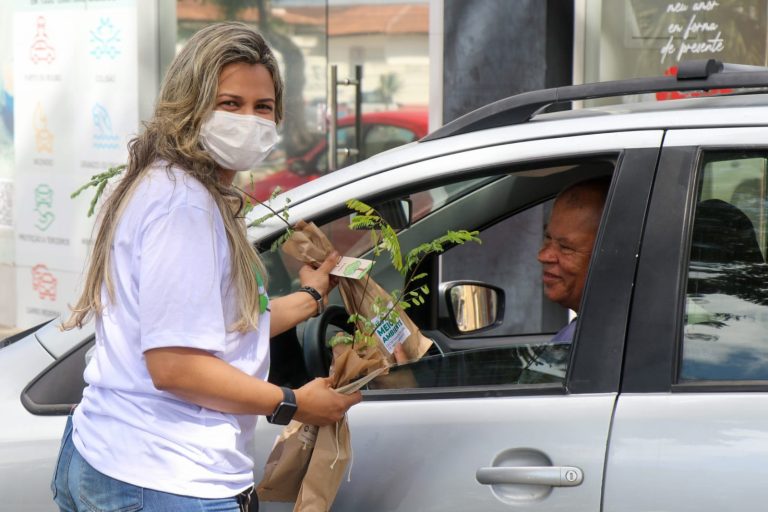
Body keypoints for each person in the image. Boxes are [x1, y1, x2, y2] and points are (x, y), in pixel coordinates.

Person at [52, 22, 361, 512]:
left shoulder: (159, 182)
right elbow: (177, 367)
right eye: (230, 103)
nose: (249, 120)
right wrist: (294, 403)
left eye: (263, 107)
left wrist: (313, 298)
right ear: (189, 105)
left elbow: (216, 326)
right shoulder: (186, 208)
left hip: (111, 456)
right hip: (165, 477)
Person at [537, 177, 610, 342]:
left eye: (566, 248)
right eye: (547, 238)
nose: (542, 256)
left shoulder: (594, 339)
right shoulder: (584, 330)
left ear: (609, 256)